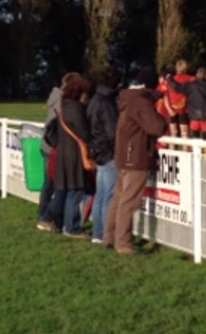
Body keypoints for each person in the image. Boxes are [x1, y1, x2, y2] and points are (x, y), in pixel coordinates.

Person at [105, 67, 166, 255]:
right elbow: (157, 127)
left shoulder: (128, 99)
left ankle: (110, 237)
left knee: (118, 198)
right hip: (135, 156)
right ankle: (123, 243)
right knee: (128, 201)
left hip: (124, 154)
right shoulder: (139, 102)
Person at [46, 73, 92, 238]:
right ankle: (71, 227)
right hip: (74, 155)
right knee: (75, 191)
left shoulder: (64, 107)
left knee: (65, 191)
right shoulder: (76, 109)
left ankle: (50, 217)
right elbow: (85, 134)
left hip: (64, 153)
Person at [86, 67, 119, 245]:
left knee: (100, 195)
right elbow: (112, 131)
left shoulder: (95, 99)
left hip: (98, 152)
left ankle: (97, 234)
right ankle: (107, 235)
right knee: (108, 196)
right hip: (108, 153)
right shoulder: (107, 103)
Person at [36, 75, 68, 231]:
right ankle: (46, 218)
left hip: (47, 146)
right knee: (53, 185)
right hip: (53, 148)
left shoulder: (55, 99)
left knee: (48, 186)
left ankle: (44, 216)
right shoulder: (63, 103)